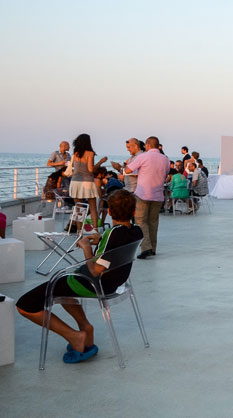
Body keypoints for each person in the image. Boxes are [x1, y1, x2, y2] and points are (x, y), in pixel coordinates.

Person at [16, 190, 142, 363]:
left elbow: (96, 270)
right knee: (62, 287)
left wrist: (85, 246)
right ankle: (85, 327)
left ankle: (75, 336)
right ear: (134, 212)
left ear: (110, 212)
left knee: (25, 305)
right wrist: (101, 241)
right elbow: (115, 245)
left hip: (93, 283)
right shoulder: (136, 231)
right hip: (113, 283)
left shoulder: (114, 234)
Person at [125, 136, 170, 259]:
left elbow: (128, 170)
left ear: (147, 145)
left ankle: (146, 248)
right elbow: (166, 174)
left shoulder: (143, 156)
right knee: (153, 222)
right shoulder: (165, 159)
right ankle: (153, 248)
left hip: (143, 194)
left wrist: (126, 165)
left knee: (140, 221)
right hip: (158, 194)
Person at [68, 133, 108, 230]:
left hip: (75, 182)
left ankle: (79, 231)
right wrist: (101, 162)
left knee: (78, 208)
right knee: (93, 207)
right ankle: (95, 231)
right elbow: (91, 170)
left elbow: (73, 166)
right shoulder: (90, 153)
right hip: (87, 182)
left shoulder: (75, 153)